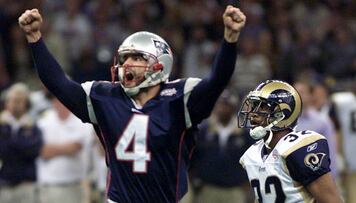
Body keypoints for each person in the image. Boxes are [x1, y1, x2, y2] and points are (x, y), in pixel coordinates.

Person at [18, 4, 246, 203]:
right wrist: (35, 38)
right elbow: (57, 82)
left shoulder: (179, 98)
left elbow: (217, 80)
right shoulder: (105, 97)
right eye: (124, 58)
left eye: (136, 58)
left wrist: (229, 40)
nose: (127, 64)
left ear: (160, 65)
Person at [238, 80, 343, 203]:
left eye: (261, 107)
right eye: (253, 106)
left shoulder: (299, 148)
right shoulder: (252, 155)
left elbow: (332, 200)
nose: (252, 114)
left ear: (282, 113)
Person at [190, 90, 253, 203]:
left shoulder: (244, 133)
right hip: (207, 188)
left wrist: (247, 183)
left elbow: (252, 161)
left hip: (235, 189)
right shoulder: (203, 131)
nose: (223, 109)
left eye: (227, 105)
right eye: (220, 104)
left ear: (233, 108)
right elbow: (193, 156)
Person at [36, 94, 94, 203]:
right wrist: (66, 148)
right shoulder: (43, 122)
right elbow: (42, 151)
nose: (59, 103)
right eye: (56, 100)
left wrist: (52, 149)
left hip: (75, 185)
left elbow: (75, 147)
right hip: (50, 185)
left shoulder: (82, 120)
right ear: (53, 102)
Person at [0, 83, 43, 203]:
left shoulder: (33, 126)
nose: (15, 104)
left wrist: (10, 140)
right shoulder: (2, 125)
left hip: (26, 184)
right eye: (12, 100)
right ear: (6, 103)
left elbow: (33, 151)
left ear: (27, 103)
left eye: (19, 100)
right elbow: (2, 151)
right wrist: (20, 142)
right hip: (3, 184)